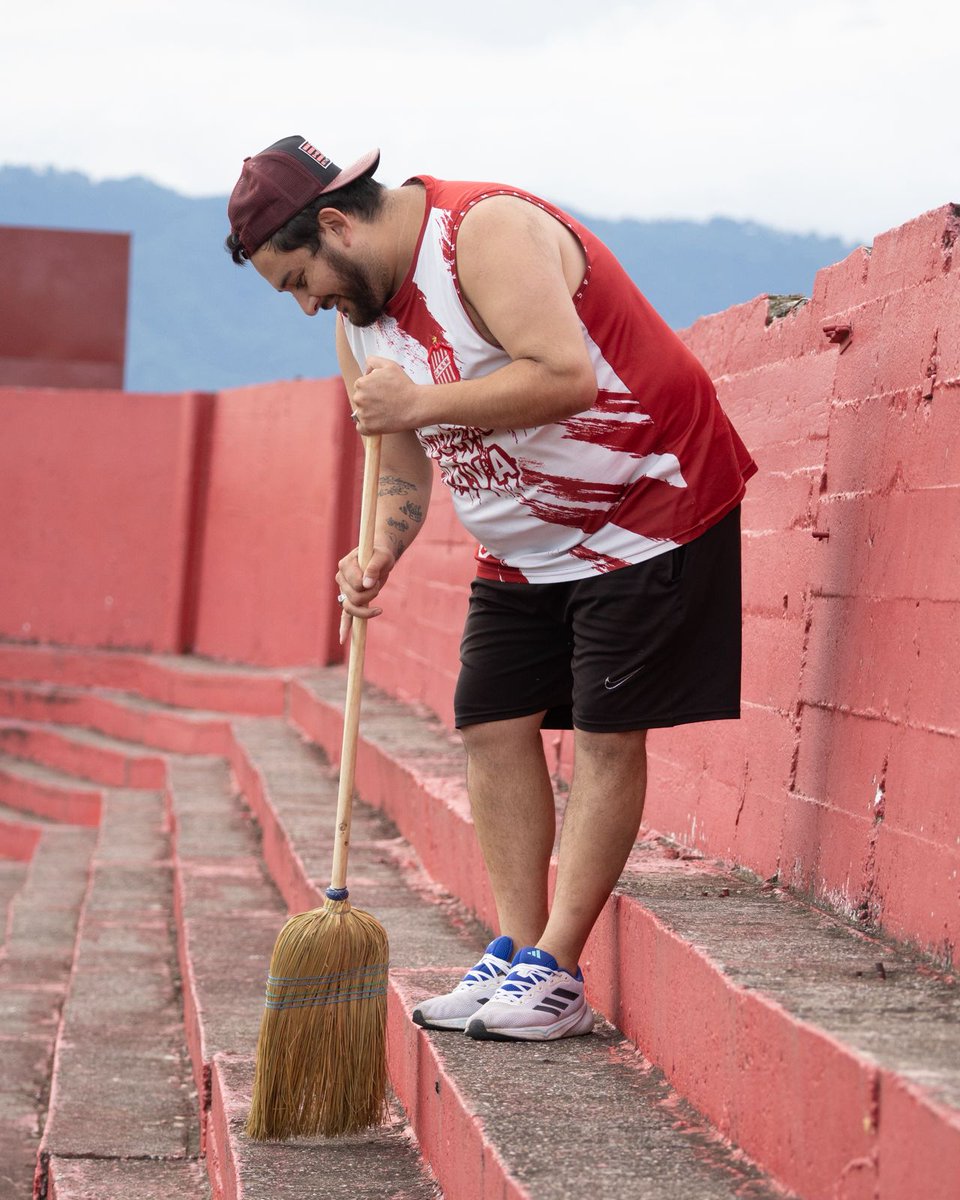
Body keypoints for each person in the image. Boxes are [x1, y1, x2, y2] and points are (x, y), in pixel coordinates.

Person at [226, 135, 756, 1043]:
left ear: (338, 224)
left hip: (647, 495)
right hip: (524, 538)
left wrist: (420, 405)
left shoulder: (483, 231)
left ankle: (556, 969)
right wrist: (379, 552)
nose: (309, 306)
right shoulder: (363, 325)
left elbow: (564, 374)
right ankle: (515, 948)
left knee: (604, 730)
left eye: (298, 281)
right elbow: (397, 460)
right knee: (490, 719)